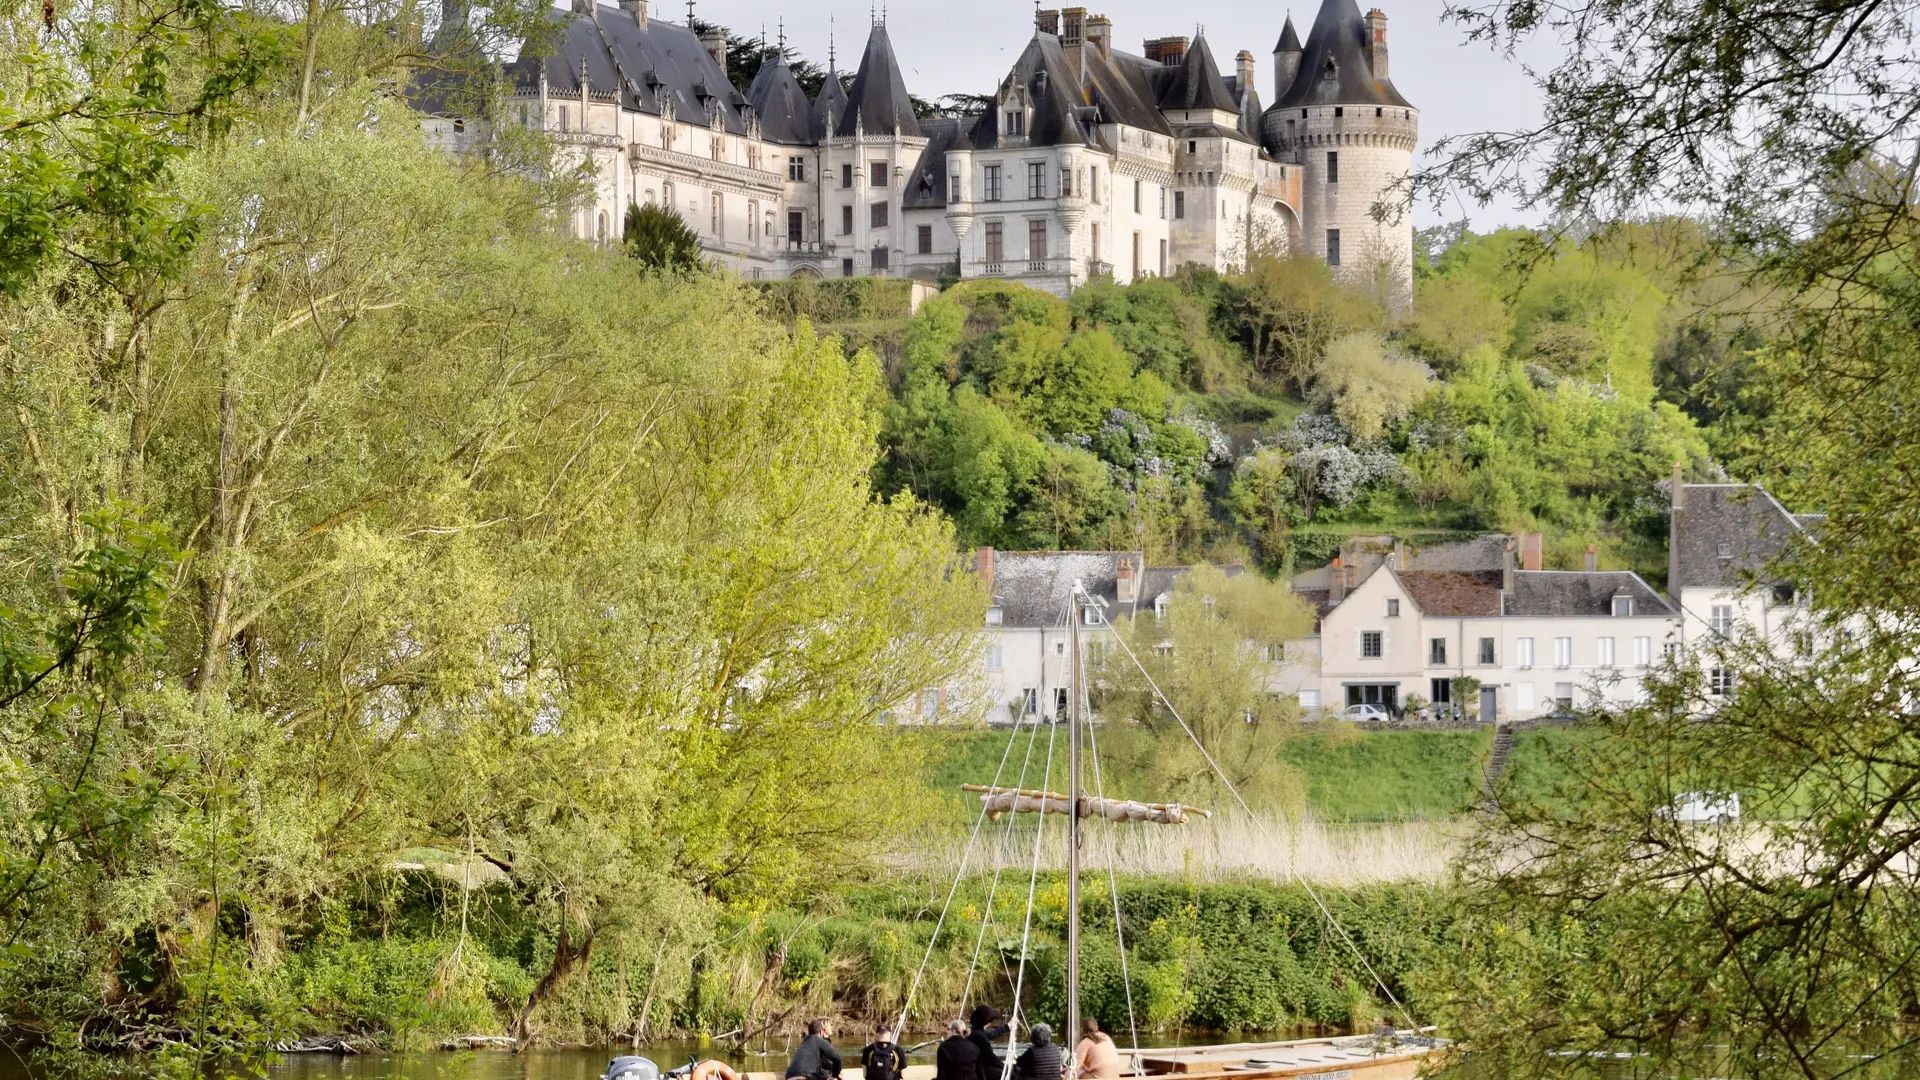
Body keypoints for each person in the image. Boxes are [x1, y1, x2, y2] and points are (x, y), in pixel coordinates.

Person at [967, 1005, 1006, 1080]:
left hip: (974, 1067)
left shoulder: (973, 1030)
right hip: (979, 1070)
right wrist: (1005, 1067)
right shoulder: (980, 1036)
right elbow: (991, 1057)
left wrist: (1006, 1027)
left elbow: (990, 1035)